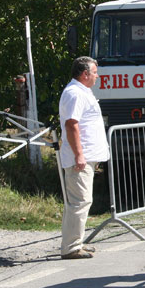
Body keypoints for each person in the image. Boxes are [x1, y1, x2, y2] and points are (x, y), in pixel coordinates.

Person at [59, 56, 110, 259]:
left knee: (81, 202)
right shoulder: (74, 94)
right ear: (84, 74)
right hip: (79, 158)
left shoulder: (82, 92)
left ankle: (75, 242)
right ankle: (71, 247)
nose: (97, 76)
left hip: (86, 157)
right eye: (95, 72)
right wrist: (79, 154)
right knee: (79, 202)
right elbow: (72, 125)